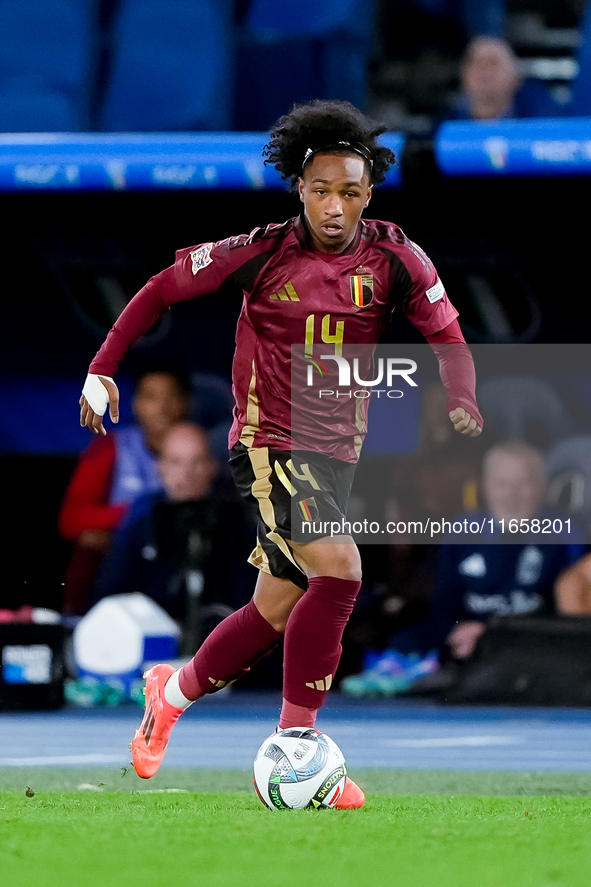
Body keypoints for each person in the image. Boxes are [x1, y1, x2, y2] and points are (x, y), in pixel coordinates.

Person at [78, 99, 482, 809]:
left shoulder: (394, 257)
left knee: (275, 608)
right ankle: (300, 747)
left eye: (349, 193)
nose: (334, 206)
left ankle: (168, 694)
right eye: (321, 189)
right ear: (299, 186)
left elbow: (446, 333)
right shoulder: (260, 252)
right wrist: (103, 367)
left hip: (336, 456)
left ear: (368, 194)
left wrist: (462, 395)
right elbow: (158, 290)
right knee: (342, 566)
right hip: (268, 443)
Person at [92, 422, 255, 653]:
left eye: (196, 462)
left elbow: (254, 604)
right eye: (176, 462)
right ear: (161, 467)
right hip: (149, 650)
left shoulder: (238, 526)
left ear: (211, 467)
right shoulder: (139, 526)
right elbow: (107, 598)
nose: (186, 473)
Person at [59, 365, 191, 615]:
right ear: (136, 404)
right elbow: (71, 520)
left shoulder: (200, 447)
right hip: (129, 553)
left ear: (186, 403)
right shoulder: (112, 447)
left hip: (186, 553)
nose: (162, 408)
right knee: (92, 540)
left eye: (171, 397)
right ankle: (78, 621)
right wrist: (138, 515)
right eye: (152, 397)